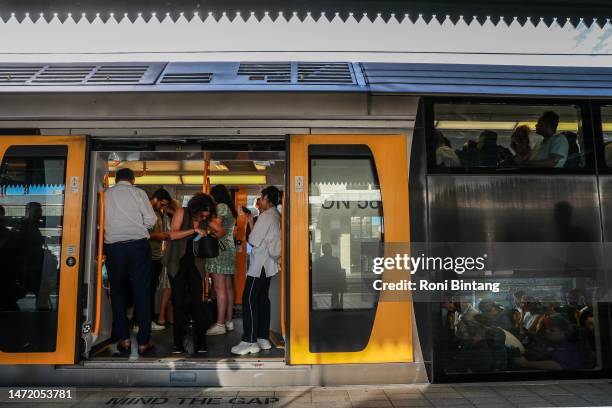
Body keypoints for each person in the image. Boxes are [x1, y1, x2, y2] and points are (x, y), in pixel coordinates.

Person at [104, 168, 157, 355]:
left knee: (117, 293)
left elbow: (99, 221)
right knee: (142, 293)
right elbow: (151, 219)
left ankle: (124, 340)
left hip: (114, 248)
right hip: (138, 247)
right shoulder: (139, 193)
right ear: (132, 179)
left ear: (116, 179)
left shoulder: (105, 194)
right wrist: (141, 226)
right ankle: (143, 342)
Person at [163, 193, 224, 355]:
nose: (205, 215)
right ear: (195, 208)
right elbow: (173, 234)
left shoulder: (206, 219)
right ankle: (178, 344)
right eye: (203, 212)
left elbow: (221, 232)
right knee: (179, 303)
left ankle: (202, 343)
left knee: (198, 303)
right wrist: (193, 230)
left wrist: (210, 231)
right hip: (177, 263)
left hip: (196, 265)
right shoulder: (182, 212)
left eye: (208, 213)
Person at [231, 186, 282, 355]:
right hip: (268, 265)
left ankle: (249, 341)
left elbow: (253, 240)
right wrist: (252, 221)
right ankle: (262, 337)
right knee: (262, 299)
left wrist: (251, 224)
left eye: (262, 198)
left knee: (249, 299)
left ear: (267, 199)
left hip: (259, 265)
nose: (260, 201)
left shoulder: (267, 216)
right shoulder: (276, 215)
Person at [205, 185, 238, 335]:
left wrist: (204, 218)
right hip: (229, 249)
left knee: (219, 288)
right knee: (228, 287)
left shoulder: (221, 207)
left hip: (220, 249)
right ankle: (228, 321)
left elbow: (217, 226)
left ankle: (219, 323)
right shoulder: (230, 208)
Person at [148, 188, 173, 331]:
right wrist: (163, 236)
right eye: (162, 204)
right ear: (156, 199)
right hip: (148, 255)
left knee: (151, 289)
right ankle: (143, 321)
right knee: (147, 290)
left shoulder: (159, 214)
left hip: (157, 255)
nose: (163, 208)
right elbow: (145, 234)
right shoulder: (147, 212)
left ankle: (147, 320)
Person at [312, 243, 344, 309]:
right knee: (336, 283)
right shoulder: (336, 260)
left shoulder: (317, 261)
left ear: (323, 251)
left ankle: (312, 301)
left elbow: (313, 273)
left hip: (319, 286)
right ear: (331, 250)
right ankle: (335, 304)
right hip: (333, 286)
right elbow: (339, 273)